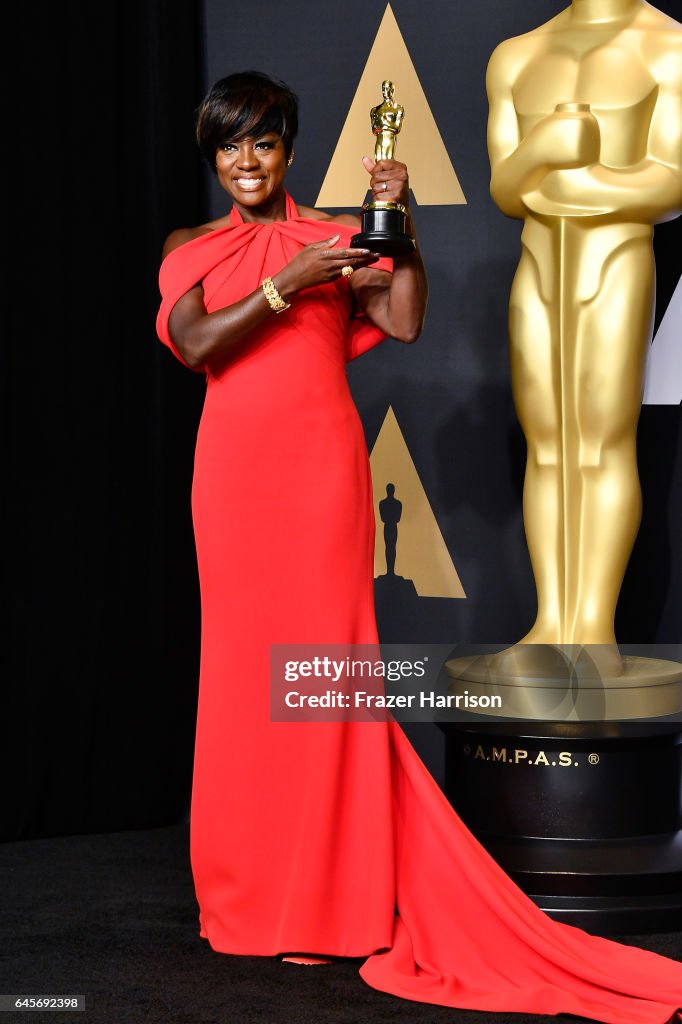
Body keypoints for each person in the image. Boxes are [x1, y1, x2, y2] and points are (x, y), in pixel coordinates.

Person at [157, 71, 682, 1022]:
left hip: (320, 482)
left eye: (264, 143)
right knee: (241, 679)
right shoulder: (191, 247)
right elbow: (198, 344)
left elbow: (401, 319)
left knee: (320, 676)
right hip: (231, 488)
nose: (246, 161)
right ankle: (241, 898)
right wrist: (289, 283)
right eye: (229, 145)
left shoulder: (336, 233)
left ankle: (328, 901)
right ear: (213, 156)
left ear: (289, 148)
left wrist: (400, 228)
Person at [486, 0, 682, 679]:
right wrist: (543, 151)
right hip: (536, 263)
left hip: (616, 262)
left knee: (600, 442)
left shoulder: (669, 46)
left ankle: (592, 627)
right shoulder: (516, 54)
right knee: (548, 445)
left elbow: (670, 180)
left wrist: (576, 179)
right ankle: (551, 624)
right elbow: (505, 188)